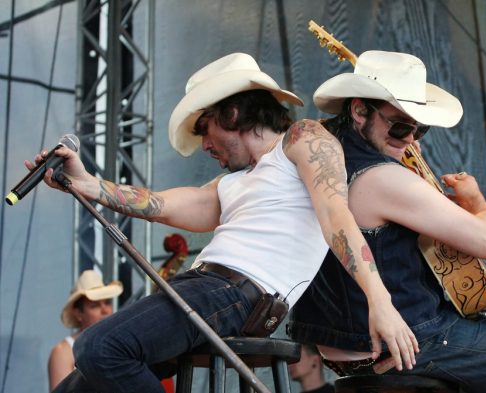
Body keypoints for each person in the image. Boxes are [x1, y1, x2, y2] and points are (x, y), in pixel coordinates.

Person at [31, 52, 414, 393]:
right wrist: (87, 184)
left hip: (235, 292)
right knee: (76, 385)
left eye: (204, 128)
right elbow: (163, 204)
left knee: (99, 348)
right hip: (204, 287)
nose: (204, 144)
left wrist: (379, 301)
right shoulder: (233, 182)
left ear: (231, 114)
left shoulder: (302, 138)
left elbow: (336, 214)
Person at [288, 50, 486, 392]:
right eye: (401, 127)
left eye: (420, 130)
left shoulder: (322, 153)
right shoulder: (383, 178)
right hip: (407, 337)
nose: (409, 140)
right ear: (360, 110)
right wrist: (475, 201)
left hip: (338, 340)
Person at [47, 270, 122, 391]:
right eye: (95, 305)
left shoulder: (119, 344)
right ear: (78, 314)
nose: (105, 310)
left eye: (107, 303)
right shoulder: (63, 351)